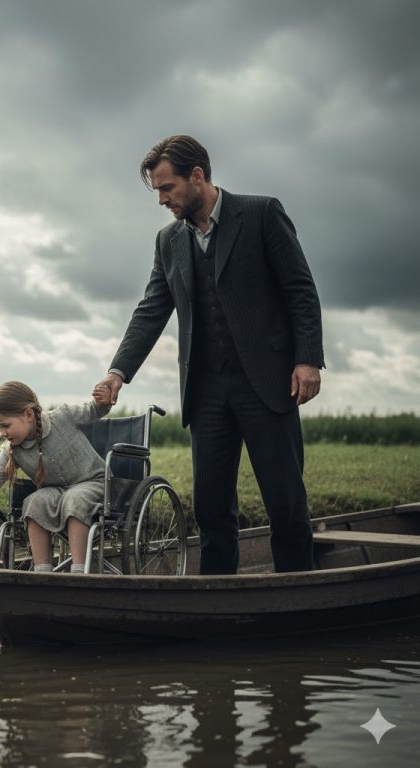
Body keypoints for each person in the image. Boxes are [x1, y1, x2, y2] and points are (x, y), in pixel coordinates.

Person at [95, 134, 324, 574]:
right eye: (157, 190)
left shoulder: (261, 214)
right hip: (206, 392)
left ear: (197, 175)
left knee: (286, 502)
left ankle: (299, 592)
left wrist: (308, 359)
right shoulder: (168, 241)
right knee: (211, 509)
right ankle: (216, 597)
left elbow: (301, 289)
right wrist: (118, 372)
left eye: (167, 188)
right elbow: (151, 308)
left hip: (267, 383)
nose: (161, 199)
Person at [0, 380, 113, 573]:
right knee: (35, 501)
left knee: (74, 498)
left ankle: (79, 570)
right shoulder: (12, 451)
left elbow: (94, 410)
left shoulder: (62, 416)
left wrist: (103, 401)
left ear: (29, 414)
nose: (2, 433)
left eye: (5, 425)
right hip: (58, 492)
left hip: (95, 483)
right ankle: (42, 571)